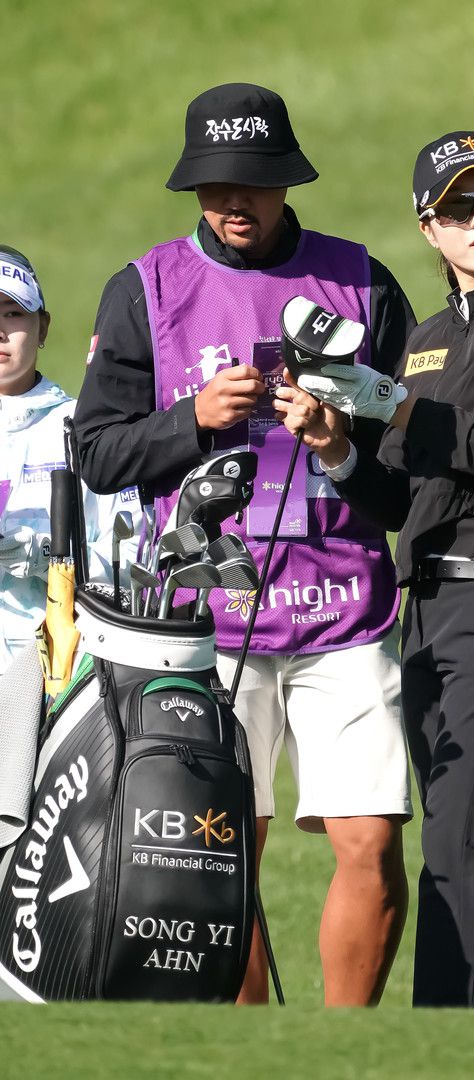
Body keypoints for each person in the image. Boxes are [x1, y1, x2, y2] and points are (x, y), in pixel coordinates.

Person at [73, 83, 415, 1006]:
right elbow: (97, 453)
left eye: (255, 183)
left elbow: (407, 459)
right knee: (221, 862)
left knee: (372, 844)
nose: (236, 201)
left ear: (286, 181)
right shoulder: (144, 288)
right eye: (217, 184)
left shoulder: (364, 281)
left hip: (346, 610)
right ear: (193, 186)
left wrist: (340, 445)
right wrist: (191, 418)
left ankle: (344, 1052)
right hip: (207, 622)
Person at [275, 129, 474, 1007]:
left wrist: (388, 402)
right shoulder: (423, 340)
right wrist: (339, 447)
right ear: (429, 228)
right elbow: (397, 500)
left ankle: (440, 1045)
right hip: (427, 619)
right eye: (459, 207)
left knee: (457, 838)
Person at [0, 245, 141, 675]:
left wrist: (42, 554)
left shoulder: (86, 428)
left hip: (57, 674)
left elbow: (132, 563)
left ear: (42, 327)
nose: (0, 332)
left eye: (12, 314)